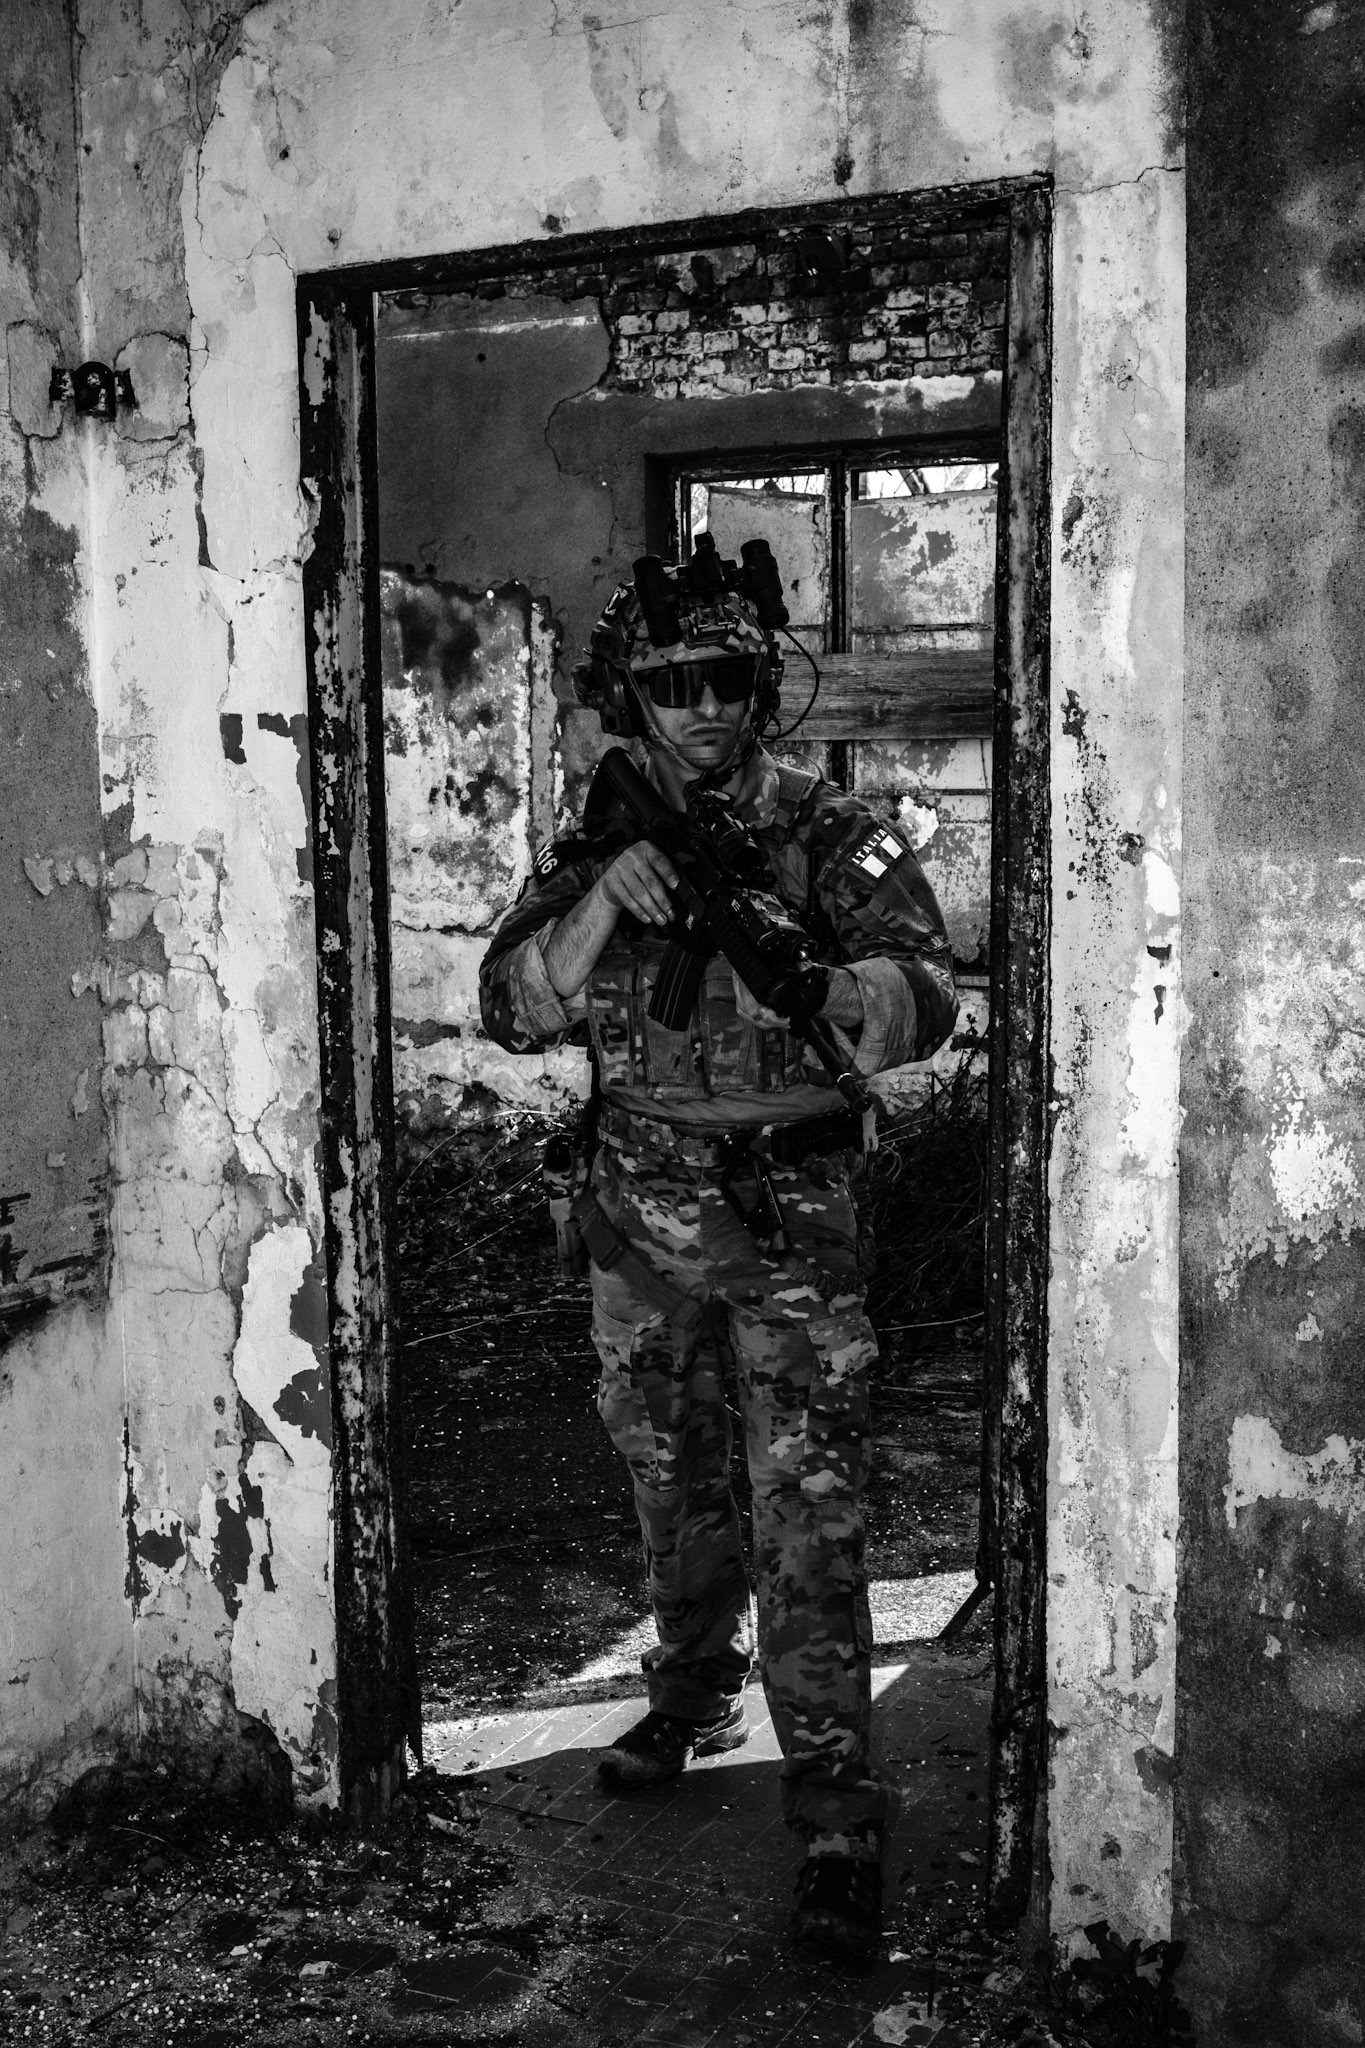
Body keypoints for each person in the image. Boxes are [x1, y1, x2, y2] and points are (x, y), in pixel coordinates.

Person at [478, 536, 957, 1959]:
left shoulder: (829, 828)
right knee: (667, 1478)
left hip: (787, 1221)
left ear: (760, 687)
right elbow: (511, 1008)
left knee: (808, 1510)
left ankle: (834, 1807)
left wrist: (824, 985)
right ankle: (691, 1691)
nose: (700, 708)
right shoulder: (599, 835)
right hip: (636, 1218)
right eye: (671, 683)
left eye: (726, 680)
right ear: (635, 693)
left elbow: (930, 994)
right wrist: (596, 908)